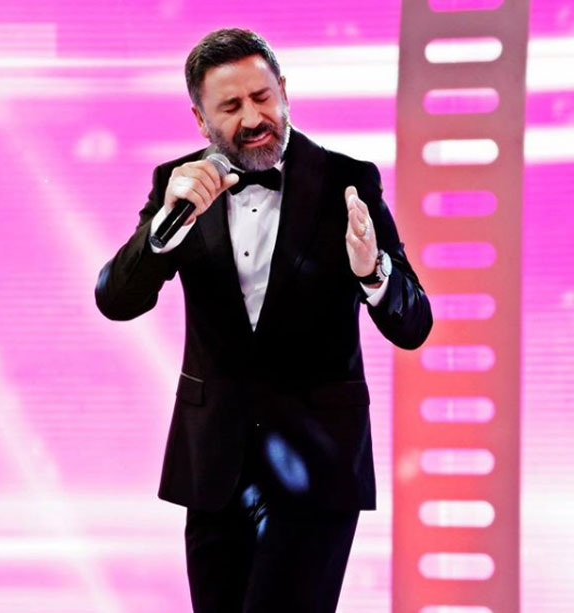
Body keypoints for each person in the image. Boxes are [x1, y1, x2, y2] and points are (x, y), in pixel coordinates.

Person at [95, 28, 432, 613]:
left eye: (262, 97)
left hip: (316, 467)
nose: (253, 118)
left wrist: (372, 269)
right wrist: (164, 230)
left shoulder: (348, 180)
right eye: (231, 106)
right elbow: (117, 299)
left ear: (284, 92)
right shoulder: (179, 185)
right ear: (201, 120)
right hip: (213, 466)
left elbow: (415, 323)